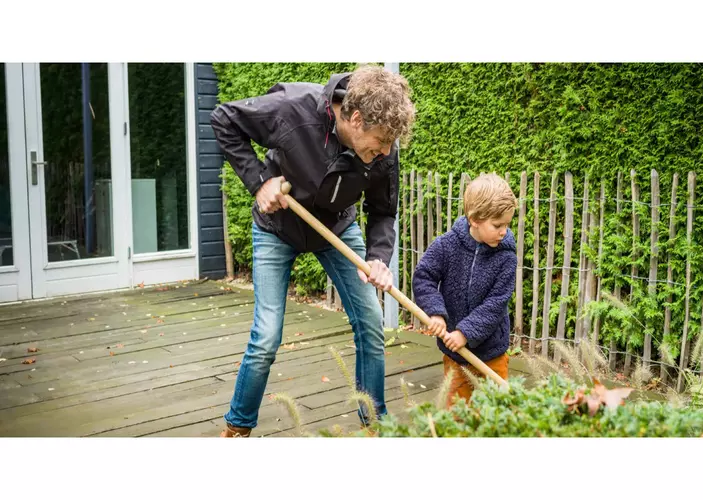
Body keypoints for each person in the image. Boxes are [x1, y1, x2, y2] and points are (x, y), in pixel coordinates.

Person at [210, 64, 416, 437]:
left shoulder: (386, 147)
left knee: (370, 323)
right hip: (278, 225)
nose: (385, 152)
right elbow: (224, 118)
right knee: (267, 334)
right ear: (355, 117)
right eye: (381, 141)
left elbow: (383, 211)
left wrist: (377, 258)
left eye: (390, 145)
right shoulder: (293, 109)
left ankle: (376, 427)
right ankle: (237, 429)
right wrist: (259, 182)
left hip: (336, 226)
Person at [412, 173, 518, 407]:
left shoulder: (506, 257)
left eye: (507, 224)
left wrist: (465, 333)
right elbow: (424, 277)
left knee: (496, 411)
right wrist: (436, 312)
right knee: (455, 412)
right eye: (497, 225)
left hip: (493, 354)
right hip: (456, 357)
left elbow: (496, 304)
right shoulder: (447, 245)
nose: (504, 231)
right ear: (474, 220)